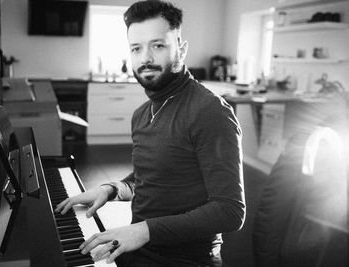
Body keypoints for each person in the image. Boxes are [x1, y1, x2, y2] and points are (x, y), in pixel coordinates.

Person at [56, 1, 245, 266]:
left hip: (186, 259)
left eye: (158, 45)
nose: (145, 58)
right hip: (141, 250)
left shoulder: (210, 112)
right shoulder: (142, 114)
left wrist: (143, 231)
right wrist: (111, 189)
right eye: (136, 48)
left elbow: (230, 211)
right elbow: (152, 177)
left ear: (181, 48)